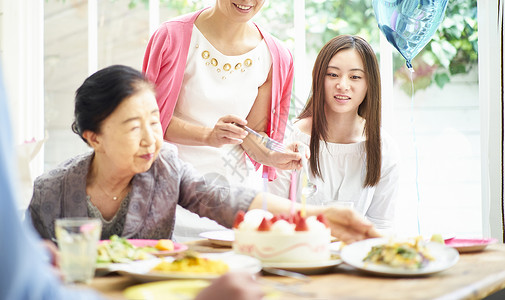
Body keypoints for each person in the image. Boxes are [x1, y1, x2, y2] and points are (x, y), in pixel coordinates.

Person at [28, 65, 380, 244]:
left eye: (155, 121)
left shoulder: (164, 167)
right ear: (95, 138)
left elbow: (227, 199)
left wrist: (316, 215)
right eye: (135, 127)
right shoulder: (51, 192)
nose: (152, 139)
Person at [143, 0, 300, 240]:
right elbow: (148, 122)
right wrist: (208, 136)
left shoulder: (276, 56)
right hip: (169, 195)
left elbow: (250, 135)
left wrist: (272, 155)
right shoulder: (172, 36)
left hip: (232, 202)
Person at [269, 35, 400, 233]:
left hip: (357, 258)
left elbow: (381, 224)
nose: (343, 85)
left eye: (355, 76)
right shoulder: (290, 137)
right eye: (332, 75)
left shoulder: (383, 147)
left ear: (369, 83)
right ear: (318, 78)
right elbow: (275, 217)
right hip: (298, 254)